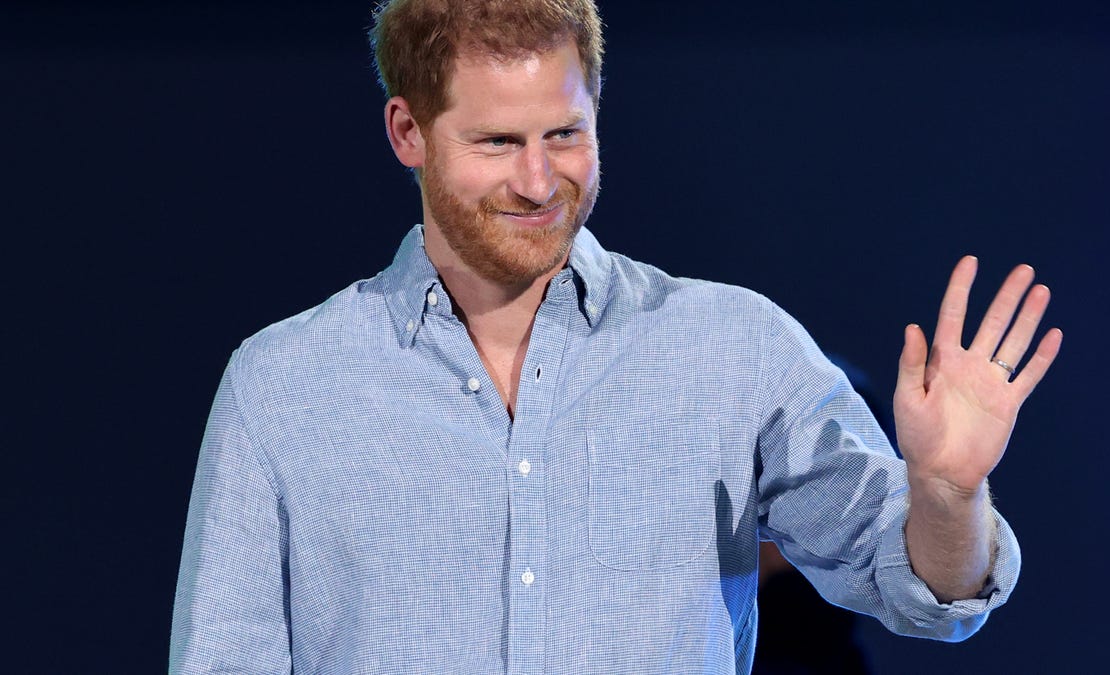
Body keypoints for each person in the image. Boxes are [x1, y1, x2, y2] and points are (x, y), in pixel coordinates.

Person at [169, 1, 1062, 672]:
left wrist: (947, 494)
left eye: (565, 133)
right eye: (495, 142)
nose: (536, 179)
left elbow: (924, 590)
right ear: (409, 131)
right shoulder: (283, 384)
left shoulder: (733, 349)